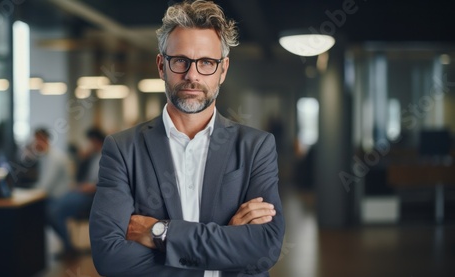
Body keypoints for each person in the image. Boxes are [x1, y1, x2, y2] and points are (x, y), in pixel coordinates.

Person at [89, 1, 285, 276]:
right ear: (161, 66)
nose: (192, 75)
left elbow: (265, 248)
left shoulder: (256, 147)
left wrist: (160, 233)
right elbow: (109, 258)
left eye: (206, 62)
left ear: (223, 70)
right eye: (180, 60)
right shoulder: (122, 149)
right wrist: (225, 245)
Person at [48, 127, 105, 259]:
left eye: (90, 141)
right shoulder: (93, 156)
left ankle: (69, 247)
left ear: (96, 141)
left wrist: (85, 187)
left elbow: (103, 184)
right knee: (51, 208)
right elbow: (81, 176)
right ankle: (68, 246)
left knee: (55, 212)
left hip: (91, 196)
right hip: (82, 191)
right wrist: (83, 158)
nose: (88, 144)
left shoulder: (107, 156)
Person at [23, 128, 71, 199]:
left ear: (43, 140)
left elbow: (45, 187)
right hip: (50, 196)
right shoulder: (45, 156)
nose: (34, 143)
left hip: (57, 198)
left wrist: (27, 191)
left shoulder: (54, 158)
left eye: (36, 140)